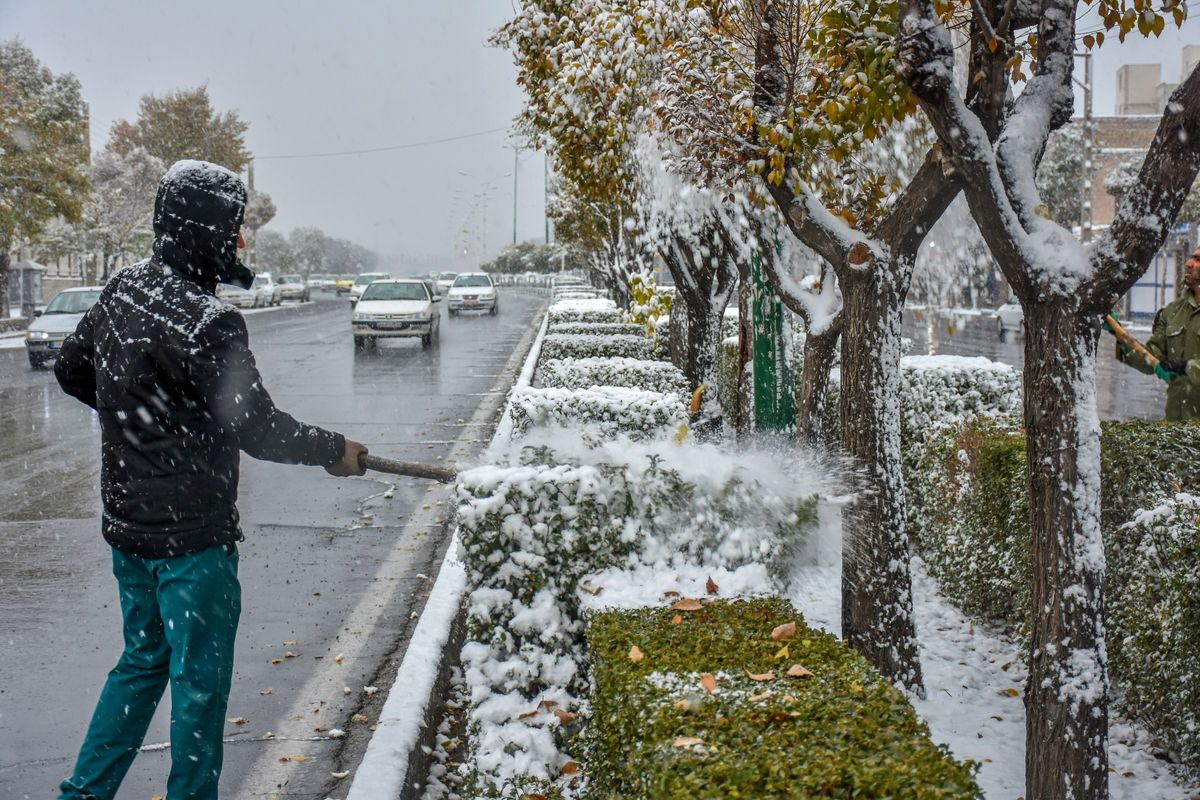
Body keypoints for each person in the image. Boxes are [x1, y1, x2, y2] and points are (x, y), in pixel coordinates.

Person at [53, 160, 368, 799]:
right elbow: (258, 428)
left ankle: (82, 795)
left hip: (129, 532)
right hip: (193, 542)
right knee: (199, 688)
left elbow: (70, 368)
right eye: (234, 229)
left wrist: (139, 426)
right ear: (207, 231)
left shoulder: (122, 291)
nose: (241, 244)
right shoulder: (207, 320)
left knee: (141, 664)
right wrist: (333, 449)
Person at [1114, 246, 1200, 421]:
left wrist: (1187, 367)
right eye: (1191, 258)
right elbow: (1151, 359)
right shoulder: (1172, 312)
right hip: (1176, 432)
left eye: (1198, 260)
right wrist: (1119, 335)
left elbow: (1185, 367)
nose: (1188, 263)